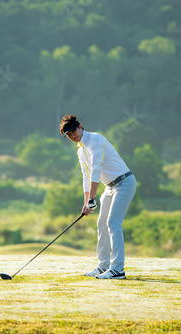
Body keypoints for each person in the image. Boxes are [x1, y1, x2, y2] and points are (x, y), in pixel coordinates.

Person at [60, 114, 137, 279]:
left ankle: (118, 269)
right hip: (109, 187)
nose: (73, 136)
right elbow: (86, 177)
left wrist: (92, 199)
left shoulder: (95, 139)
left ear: (80, 127)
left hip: (124, 183)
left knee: (113, 223)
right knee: (102, 224)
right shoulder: (81, 151)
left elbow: (96, 169)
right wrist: (86, 202)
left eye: (74, 131)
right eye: (69, 135)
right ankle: (103, 266)